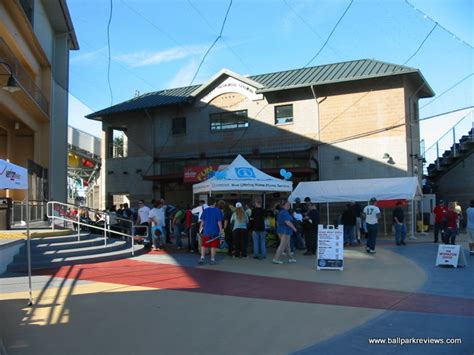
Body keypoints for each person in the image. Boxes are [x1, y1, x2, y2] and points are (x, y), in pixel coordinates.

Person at [199, 197, 223, 265]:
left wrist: (200, 230)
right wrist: (221, 230)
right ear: (215, 203)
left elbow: (202, 222)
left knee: (203, 245)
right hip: (215, 232)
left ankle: (202, 258)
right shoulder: (218, 211)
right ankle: (212, 260)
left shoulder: (205, 210)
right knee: (213, 246)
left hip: (206, 231)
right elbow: (219, 222)